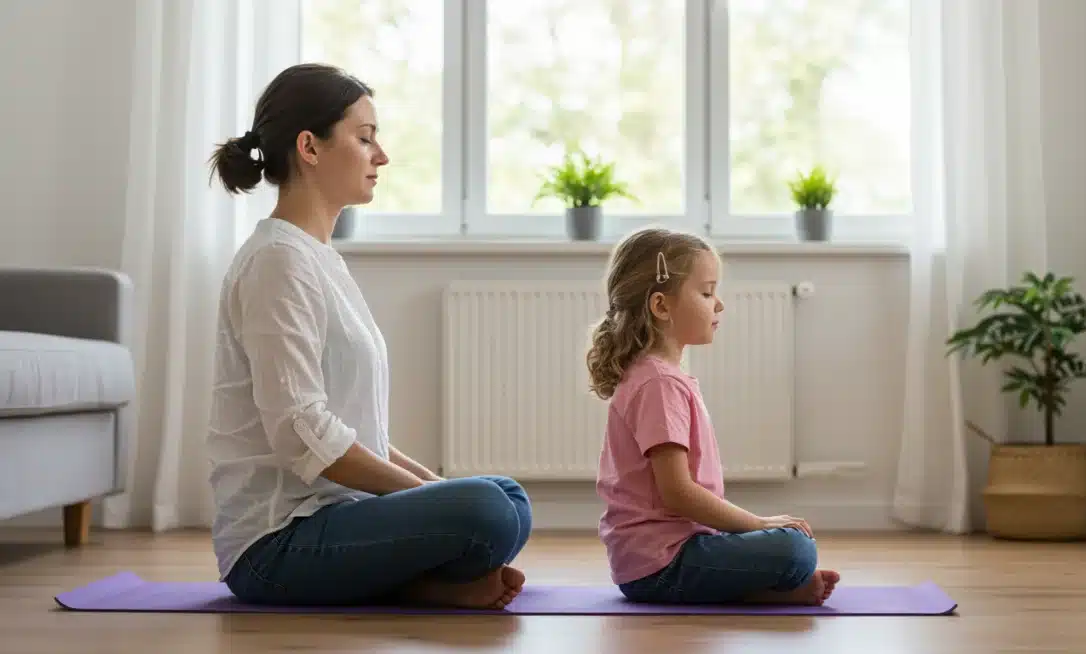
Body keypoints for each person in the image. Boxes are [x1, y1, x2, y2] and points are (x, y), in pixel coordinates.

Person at [205, 63, 530, 609]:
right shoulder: (278, 262)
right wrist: (440, 499)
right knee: (486, 511)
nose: (381, 156)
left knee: (505, 498)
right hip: (278, 545)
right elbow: (300, 430)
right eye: (365, 138)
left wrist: (437, 489)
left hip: (340, 518)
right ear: (309, 146)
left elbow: (353, 429)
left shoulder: (318, 258)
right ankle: (423, 586)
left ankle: (418, 584)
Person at [587, 227, 841, 605]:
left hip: (670, 553)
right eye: (706, 292)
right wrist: (759, 524)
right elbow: (678, 493)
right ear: (661, 306)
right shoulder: (658, 383)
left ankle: (765, 588)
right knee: (795, 549)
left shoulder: (658, 377)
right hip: (661, 565)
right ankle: (764, 591)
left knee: (789, 544)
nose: (718, 304)